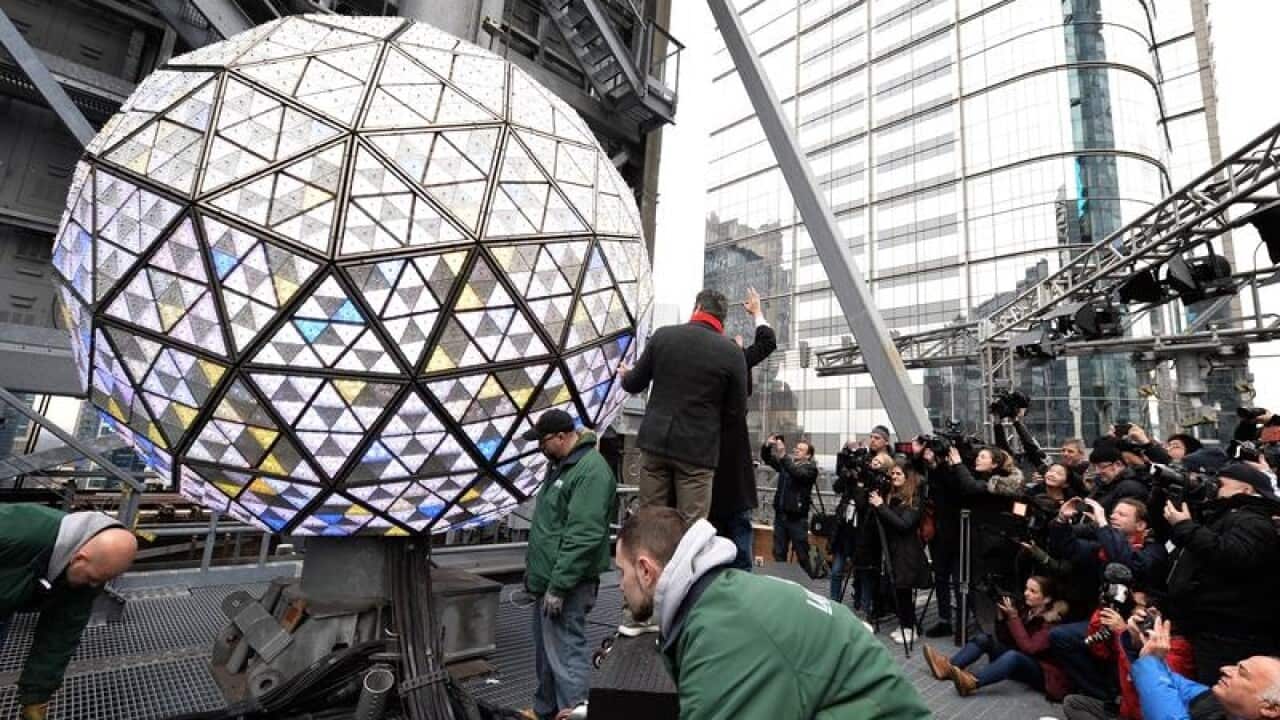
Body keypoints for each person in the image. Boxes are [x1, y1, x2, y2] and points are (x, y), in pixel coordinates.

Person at [614, 506, 932, 719]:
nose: (618, 586)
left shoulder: (723, 634)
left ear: (645, 570)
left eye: (621, 572)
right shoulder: (720, 601)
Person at [521, 410, 617, 720]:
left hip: (568, 584)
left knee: (566, 653)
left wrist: (559, 585)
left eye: (543, 441)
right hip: (547, 581)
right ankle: (545, 709)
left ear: (562, 437)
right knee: (546, 655)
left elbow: (583, 535)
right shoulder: (561, 466)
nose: (540, 448)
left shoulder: (590, 471)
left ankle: (573, 713)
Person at [1, 504, 138, 720]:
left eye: (100, 581)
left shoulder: (90, 575)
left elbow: (60, 634)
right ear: (79, 558)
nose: (94, 586)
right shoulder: (15, 532)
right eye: (93, 579)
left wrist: (36, 698)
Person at [620, 289, 748, 521]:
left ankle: (651, 556)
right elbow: (737, 412)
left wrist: (625, 375)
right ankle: (684, 558)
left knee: (651, 518)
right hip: (697, 451)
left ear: (697, 308)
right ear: (723, 318)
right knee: (692, 525)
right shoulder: (732, 352)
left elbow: (634, 383)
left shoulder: (663, 336)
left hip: (656, 443)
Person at [1164, 461, 1280, 686]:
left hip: (1232, 634)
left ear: (1246, 490)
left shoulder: (1253, 521)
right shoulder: (1224, 516)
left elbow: (1233, 556)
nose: (1215, 488)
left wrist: (1186, 527)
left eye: (1222, 484)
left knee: (1223, 693)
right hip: (1212, 627)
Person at [708, 288, 776, 571]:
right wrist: (756, 313)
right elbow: (767, 341)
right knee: (740, 547)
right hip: (735, 478)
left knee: (710, 550)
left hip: (706, 475)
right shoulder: (735, 363)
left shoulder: (706, 380)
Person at [923, 576, 1071, 700]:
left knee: (1013, 656)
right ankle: (947, 668)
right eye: (1026, 589)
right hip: (1019, 659)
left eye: (1033, 591)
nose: (1026, 593)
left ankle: (971, 683)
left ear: (1046, 599)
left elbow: (1029, 648)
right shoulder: (1028, 609)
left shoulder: (1052, 622)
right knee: (984, 639)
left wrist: (1013, 617)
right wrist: (1001, 618)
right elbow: (1005, 639)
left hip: (1043, 673)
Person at [1062, 594, 1195, 720]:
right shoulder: (1143, 635)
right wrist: (1106, 606)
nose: (1135, 613)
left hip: (1140, 714)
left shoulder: (1177, 652)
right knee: (1073, 703)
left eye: (1141, 608)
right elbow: (1100, 651)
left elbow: (1140, 692)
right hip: (1124, 707)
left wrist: (1124, 635)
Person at [1131, 619, 1280, 720]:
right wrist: (1148, 652)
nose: (1225, 669)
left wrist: (1149, 663)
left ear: (1271, 708)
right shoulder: (1217, 702)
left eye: (1242, 673)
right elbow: (1166, 683)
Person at [923, 443, 986, 639]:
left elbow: (962, 490)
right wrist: (934, 463)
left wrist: (956, 465)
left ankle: (963, 624)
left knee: (961, 582)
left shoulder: (967, 473)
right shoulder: (939, 472)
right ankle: (944, 621)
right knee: (941, 578)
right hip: (941, 534)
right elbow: (936, 490)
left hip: (962, 534)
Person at [869, 457, 933, 645]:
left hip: (907, 551)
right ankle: (905, 623)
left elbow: (905, 525)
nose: (894, 477)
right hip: (893, 549)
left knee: (904, 590)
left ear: (908, 477)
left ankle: (909, 627)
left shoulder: (915, 498)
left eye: (899, 474)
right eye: (893, 473)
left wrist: (881, 506)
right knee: (897, 590)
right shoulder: (891, 494)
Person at [762, 435, 818, 576]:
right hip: (781, 517)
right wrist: (767, 446)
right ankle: (782, 583)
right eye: (796, 448)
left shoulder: (810, 469)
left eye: (801, 449)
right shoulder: (787, 463)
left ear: (809, 455)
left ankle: (806, 585)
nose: (797, 450)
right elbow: (767, 459)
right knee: (778, 553)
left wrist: (783, 455)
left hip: (797, 520)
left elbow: (797, 473)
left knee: (802, 555)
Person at [1086, 439, 1150, 514]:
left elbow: (1121, 519)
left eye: (1102, 467)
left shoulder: (1130, 488)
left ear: (1118, 464)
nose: (1097, 472)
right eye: (1094, 467)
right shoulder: (1102, 484)